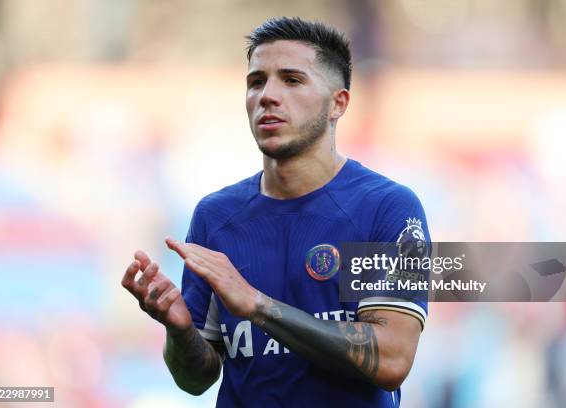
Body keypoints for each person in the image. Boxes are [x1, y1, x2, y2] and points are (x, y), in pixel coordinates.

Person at [121, 17, 430, 408]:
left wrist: (258, 306)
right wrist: (179, 330)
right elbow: (195, 380)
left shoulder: (386, 208)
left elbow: (392, 358)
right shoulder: (216, 217)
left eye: (292, 80)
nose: (267, 95)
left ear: (338, 103)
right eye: (256, 81)